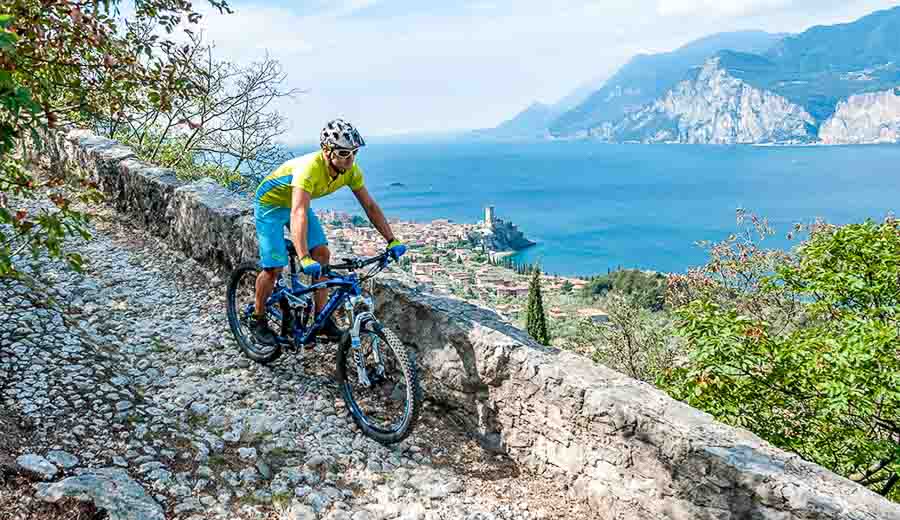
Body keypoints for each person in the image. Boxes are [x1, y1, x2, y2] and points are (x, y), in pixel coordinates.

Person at [251, 119, 406, 345]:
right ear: (327, 150)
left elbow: (369, 206)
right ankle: (258, 318)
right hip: (271, 205)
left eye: (354, 152)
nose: (350, 158)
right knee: (274, 267)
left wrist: (391, 240)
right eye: (343, 152)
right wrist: (303, 256)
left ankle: (321, 321)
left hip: (296, 205)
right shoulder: (309, 170)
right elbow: (298, 213)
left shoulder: (350, 171)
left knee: (323, 254)